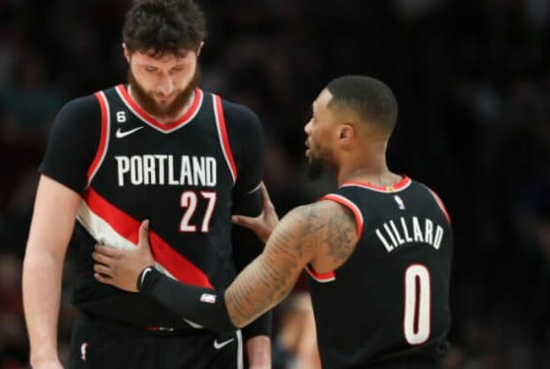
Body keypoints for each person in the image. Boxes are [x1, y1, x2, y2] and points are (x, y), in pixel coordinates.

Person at [93, 75, 454, 368]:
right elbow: (375, 281)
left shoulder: (321, 220)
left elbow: (227, 312)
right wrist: (288, 243)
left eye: (316, 118)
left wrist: (147, 277)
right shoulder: (432, 203)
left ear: (345, 134)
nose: (307, 128)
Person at [22, 0, 272, 369]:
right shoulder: (87, 120)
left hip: (209, 345)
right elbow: (45, 247)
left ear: (199, 50)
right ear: (127, 54)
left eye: (179, 68)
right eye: (151, 70)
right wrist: (42, 354)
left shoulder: (236, 126)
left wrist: (261, 358)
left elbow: (254, 254)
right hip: (111, 341)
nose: (166, 86)